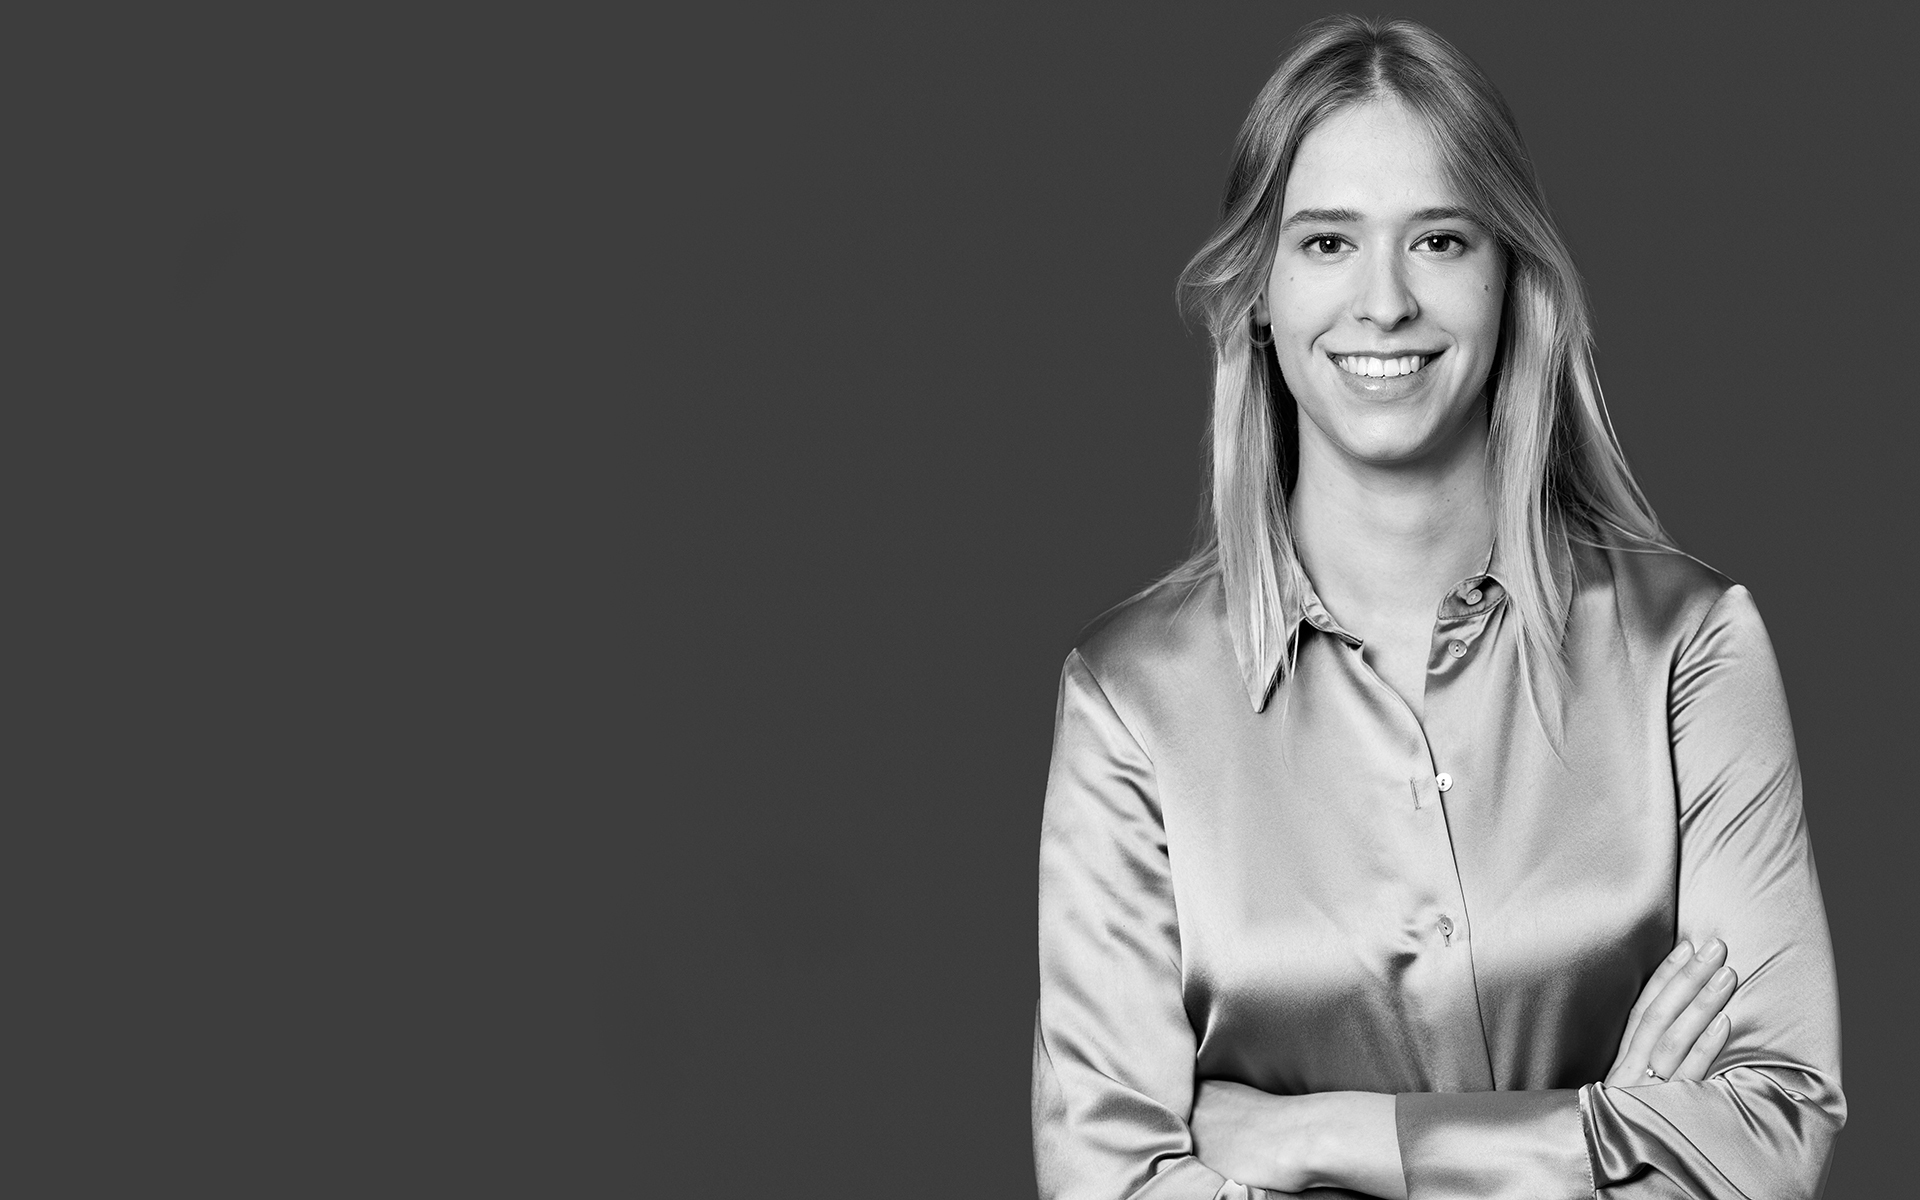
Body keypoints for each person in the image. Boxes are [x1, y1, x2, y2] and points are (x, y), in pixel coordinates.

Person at [1030, 15, 1842, 1200]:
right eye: (1326, 242)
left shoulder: (1692, 650)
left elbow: (1768, 1131)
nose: (1385, 303)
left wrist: (1327, 1138)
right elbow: (1112, 1185)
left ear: (1508, 277)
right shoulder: (1129, 702)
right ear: (1257, 294)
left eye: (1441, 240)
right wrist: (1600, 1135)